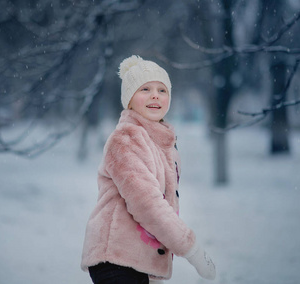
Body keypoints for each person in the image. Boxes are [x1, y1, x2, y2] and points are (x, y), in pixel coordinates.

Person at [81, 55, 216, 284]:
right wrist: (191, 249)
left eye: (162, 90)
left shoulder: (163, 145)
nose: (155, 95)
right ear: (129, 101)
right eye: (145, 89)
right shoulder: (125, 139)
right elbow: (147, 204)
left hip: (141, 264)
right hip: (116, 258)